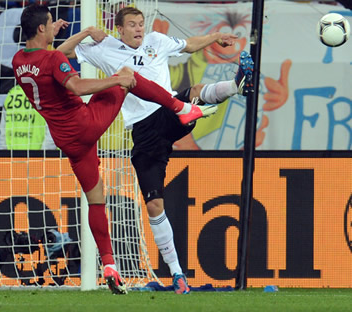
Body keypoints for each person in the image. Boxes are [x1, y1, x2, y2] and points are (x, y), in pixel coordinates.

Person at [13, 4, 217, 295]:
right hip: (85, 125)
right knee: (125, 72)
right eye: (51, 24)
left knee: (95, 200)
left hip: (66, 140)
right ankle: (180, 107)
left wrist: (82, 32)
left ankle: (109, 264)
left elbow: (53, 60)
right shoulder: (54, 58)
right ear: (43, 28)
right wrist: (116, 81)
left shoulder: (19, 60)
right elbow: (78, 86)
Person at [57, 7, 254, 294]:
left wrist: (216, 37)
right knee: (153, 205)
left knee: (193, 92)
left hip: (168, 111)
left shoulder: (156, 41)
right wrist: (86, 32)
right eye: (132, 25)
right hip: (144, 133)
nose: (139, 29)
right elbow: (59, 57)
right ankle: (177, 274)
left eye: (140, 24)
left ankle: (235, 86)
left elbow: (189, 45)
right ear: (119, 29)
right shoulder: (104, 48)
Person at [0, 85, 57, 150]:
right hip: (38, 155)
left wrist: (4, 154)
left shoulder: (12, 94)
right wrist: (44, 156)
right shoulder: (46, 95)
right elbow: (54, 132)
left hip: (13, 155)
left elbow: (3, 131)